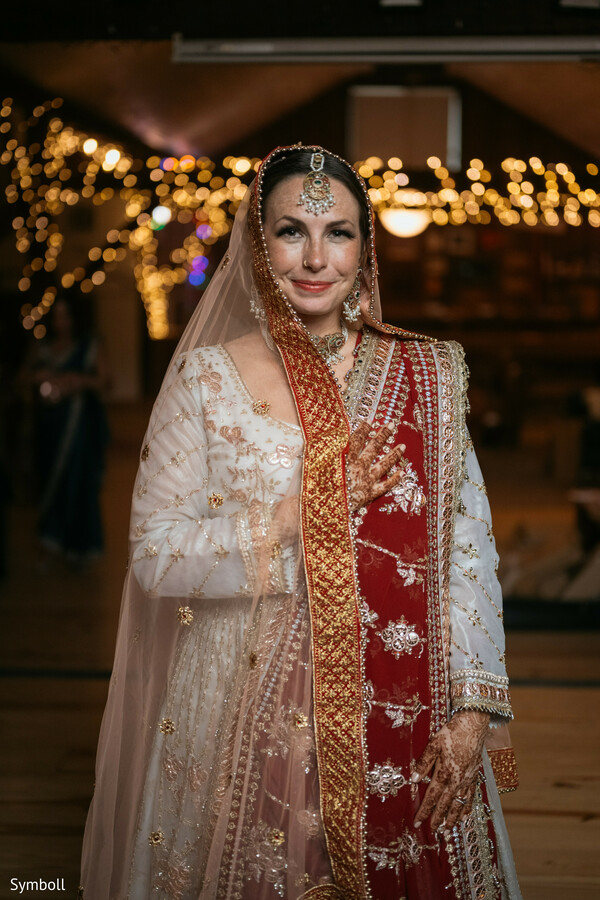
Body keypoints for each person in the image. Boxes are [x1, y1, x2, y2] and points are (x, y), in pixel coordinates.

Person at [80, 145, 521, 899]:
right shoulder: (205, 381)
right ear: (259, 243)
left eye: (338, 233)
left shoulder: (424, 376)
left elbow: (466, 551)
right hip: (240, 710)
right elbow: (157, 558)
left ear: (364, 246)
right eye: (292, 231)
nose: (316, 258)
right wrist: (299, 514)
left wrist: (475, 709)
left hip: (403, 703)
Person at [23, 296, 110, 566]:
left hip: (79, 425)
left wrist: (78, 380)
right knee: (50, 478)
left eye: (66, 316)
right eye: (57, 316)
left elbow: (106, 381)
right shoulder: (42, 347)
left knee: (79, 480)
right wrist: (41, 379)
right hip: (50, 426)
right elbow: (22, 380)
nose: (61, 323)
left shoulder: (89, 345)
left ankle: (80, 547)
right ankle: (51, 543)